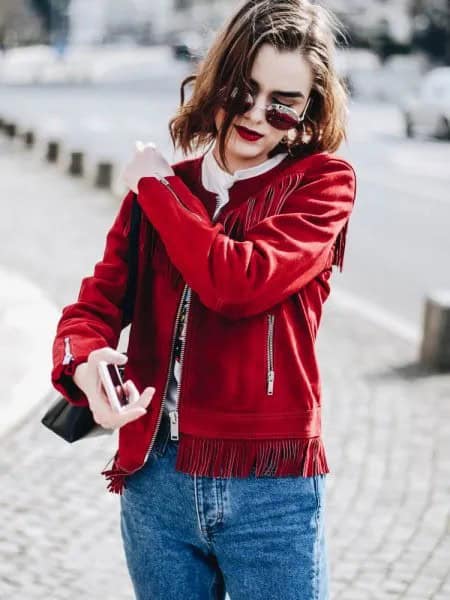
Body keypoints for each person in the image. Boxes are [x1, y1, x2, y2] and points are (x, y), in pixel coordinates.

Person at [50, 1, 357, 598]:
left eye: (284, 102)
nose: (258, 115)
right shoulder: (166, 188)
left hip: (270, 491)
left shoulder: (322, 185)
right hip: (155, 481)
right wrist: (86, 363)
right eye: (246, 89)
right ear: (220, 80)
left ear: (308, 111)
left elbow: (236, 283)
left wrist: (156, 187)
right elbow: (93, 309)